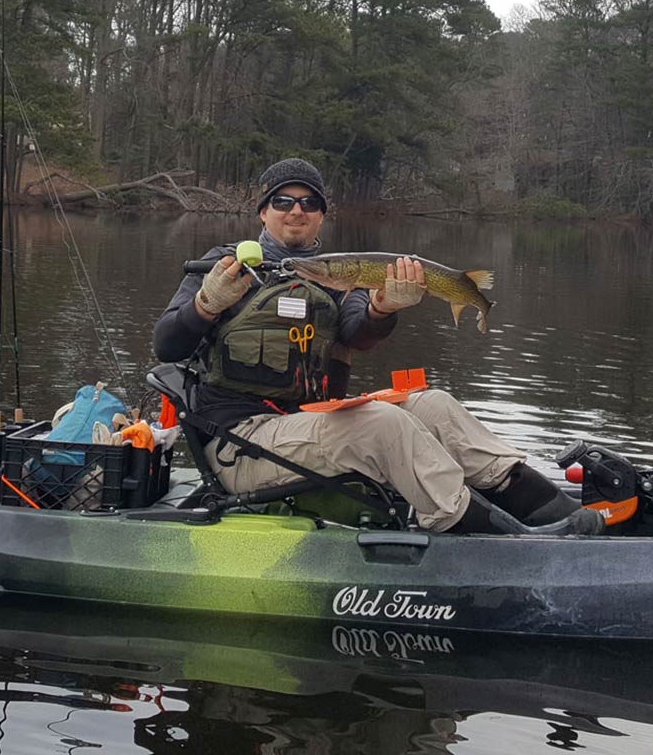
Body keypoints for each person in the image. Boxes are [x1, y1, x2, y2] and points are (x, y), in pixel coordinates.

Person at [153, 158, 603, 534]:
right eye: (283, 201)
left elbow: (358, 333)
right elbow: (167, 346)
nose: (297, 211)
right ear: (263, 211)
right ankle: (498, 540)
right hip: (241, 443)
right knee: (382, 424)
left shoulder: (336, 275)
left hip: (307, 427)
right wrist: (206, 304)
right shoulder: (222, 266)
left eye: (309, 202)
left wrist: (384, 307)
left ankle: (566, 519)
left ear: (322, 214)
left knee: (435, 406)